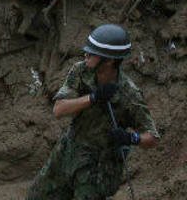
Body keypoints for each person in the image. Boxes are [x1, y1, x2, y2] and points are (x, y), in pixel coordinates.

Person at [26, 23, 160, 200]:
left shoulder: (129, 94)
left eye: (93, 53)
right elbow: (59, 109)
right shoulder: (81, 70)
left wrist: (130, 138)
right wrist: (93, 97)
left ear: (110, 60)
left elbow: (152, 138)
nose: (86, 54)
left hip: (99, 165)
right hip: (68, 149)